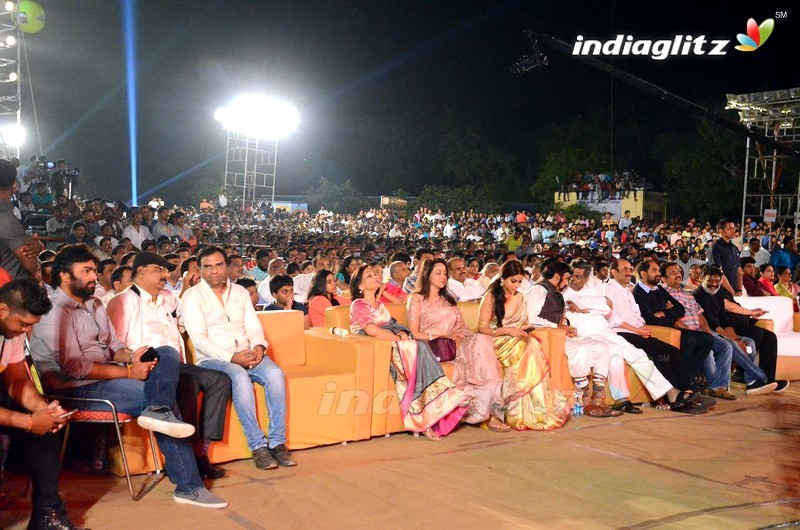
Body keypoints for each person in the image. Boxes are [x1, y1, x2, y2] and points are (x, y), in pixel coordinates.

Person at [29, 245, 228, 509]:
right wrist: (128, 372)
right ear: (65, 275)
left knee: (166, 353)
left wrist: (135, 356)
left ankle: (160, 412)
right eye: (86, 271)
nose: (93, 276)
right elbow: (74, 367)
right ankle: (189, 486)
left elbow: (115, 347)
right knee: (159, 399)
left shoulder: (95, 304)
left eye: (92, 270)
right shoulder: (55, 311)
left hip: (107, 376)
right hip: (72, 386)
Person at [107, 251, 232, 480]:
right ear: (140, 273)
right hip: (152, 364)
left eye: (166, 270)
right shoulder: (123, 302)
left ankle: (201, 449)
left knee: (220, 380)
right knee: (188, 384)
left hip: (177, 362)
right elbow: (117, 345)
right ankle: (193, 459)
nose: (165, 274)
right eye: (159, 270)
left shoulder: (167, 298)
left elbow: (184, 313)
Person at [181, 245, 296, 470]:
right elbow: (199, 339)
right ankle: (257, 446)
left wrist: (259, 346)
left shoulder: (241, 293)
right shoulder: (192, 297)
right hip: (214, 359)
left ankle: (278, 442)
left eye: (218, 265)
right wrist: (232, 358)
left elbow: (253, 327)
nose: (214, 271)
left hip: (248, 352)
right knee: (239, 377)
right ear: (201, 270)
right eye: (208, 267)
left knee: (275, 374)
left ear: (226, 267)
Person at [349, 264, 467, 440]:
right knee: (417, 347)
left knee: (419, 347)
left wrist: (402, 334)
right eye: (369, 276)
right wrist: (398, 339)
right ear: (360, 286)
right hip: (377, 348)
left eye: (375, 274)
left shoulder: (379, 304)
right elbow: (372, 330)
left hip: (392, 343)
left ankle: (434, 410)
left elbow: (392, 325)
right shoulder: (359, 304)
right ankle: (427, 416)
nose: (375, 277)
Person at [0, 280, 80, 529]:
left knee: (47, 429)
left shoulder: (10, 331)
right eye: (23, 323)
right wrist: (29, 422)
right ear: (2, 310)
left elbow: (17, 380)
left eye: (30, 326)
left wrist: (42, 411)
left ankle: (47, 514)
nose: (25, 331)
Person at [406, 259, 508, 431]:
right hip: (434, 345)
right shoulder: (416, 299)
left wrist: (462, 337)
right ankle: (486, 413)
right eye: (438, 273)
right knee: (484, 355)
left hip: (456, 343)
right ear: (426, 275)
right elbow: (414, 332)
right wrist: (441, 336)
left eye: (445, 273)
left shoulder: (448, 299)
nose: (443, 277)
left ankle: (487, 411)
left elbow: (461, 327)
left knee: (483, 342)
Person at [563, 261, 678, 414]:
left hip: (606, 332)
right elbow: (596, 305)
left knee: (638, 354)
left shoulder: (593, 289)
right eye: (572, 275)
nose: (573, 279)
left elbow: (607, 306)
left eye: (578, 277)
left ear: (586, 279)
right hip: (587, 336)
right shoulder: (564, 292)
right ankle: (621, 399)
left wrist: (584, 308)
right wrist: (594, 306)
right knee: (615, 354)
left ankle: (669, 392)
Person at [477, 261, 570, 430]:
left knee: (531, 344)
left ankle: (535, 410)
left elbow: (523, 322)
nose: (517, 285)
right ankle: (513, 412)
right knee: (525, 347)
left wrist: (525, 330)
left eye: (520, 281)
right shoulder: (490, 296)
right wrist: (508, 331)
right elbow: (482, 329)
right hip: (494, 338)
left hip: (514, 337)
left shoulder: (520, 296)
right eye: (513, 281)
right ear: (502, 278)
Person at [524, 260, 621, 418]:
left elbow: (558, 317)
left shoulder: (556, 292)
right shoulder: (537, 290)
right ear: (557, 277)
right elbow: (532, 318)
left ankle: (598, 399)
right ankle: (584, 400)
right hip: (543, 338)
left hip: (559, 335)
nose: (569, 282)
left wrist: (567, 325)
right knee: (580, 350)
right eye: (567, 278)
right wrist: (557, 327)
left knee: (603, 347)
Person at [605, 259, 703, 412]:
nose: (629, 272)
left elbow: (638, 316)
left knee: (672, 351)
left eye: (630, 269)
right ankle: (672, 396)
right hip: (623, 333)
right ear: (613, 272)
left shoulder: (627, 290)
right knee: (660, 354)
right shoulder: (608, 290)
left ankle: (686, 391)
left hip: (638, 330)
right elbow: (612, 319)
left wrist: (643, 328)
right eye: (624, 269)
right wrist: (638, 330)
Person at [692, 265, 789, 394]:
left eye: (717, 281)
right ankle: (762, 378)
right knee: (731, 344)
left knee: (750, 342)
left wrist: (736, 338)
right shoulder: (699, 295)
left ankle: (751, 383)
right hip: (707, 333)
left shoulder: (717, 295)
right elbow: (713, 324)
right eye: (710, 280)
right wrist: (734, 340)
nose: (714, 284)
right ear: (702, 278)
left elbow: (724, 321)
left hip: (720, 331)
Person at [632, 260, 713, 391]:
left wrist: (664, 312)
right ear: (643, 274)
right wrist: (669, 317)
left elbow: (680, 309)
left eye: (658, 270)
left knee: (707, 339)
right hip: (657, 330)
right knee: (690, 340)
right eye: (654, 270)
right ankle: (683, 383)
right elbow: (649, 319)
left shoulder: (658, 289)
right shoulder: (638, 293)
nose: (658, 273)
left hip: (669, 326)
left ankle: (690, 378)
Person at [660, 261, 734, 400]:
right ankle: (714, 387)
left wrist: (706, 330)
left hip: (700, 330)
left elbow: (699, 314)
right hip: (686, 333)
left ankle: (720, 386)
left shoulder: (687, 293)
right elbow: (672, 319)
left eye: (679, 271)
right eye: (673, 273)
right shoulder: (663, 295)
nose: (678, 274)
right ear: (663, 278)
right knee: (707, 349)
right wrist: (694, 333)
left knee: (726, 346)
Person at [0, 158, 42, 279]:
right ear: (14, 186)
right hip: (8, 292)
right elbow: (31, 265)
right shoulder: (5, 219)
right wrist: (34, 247)